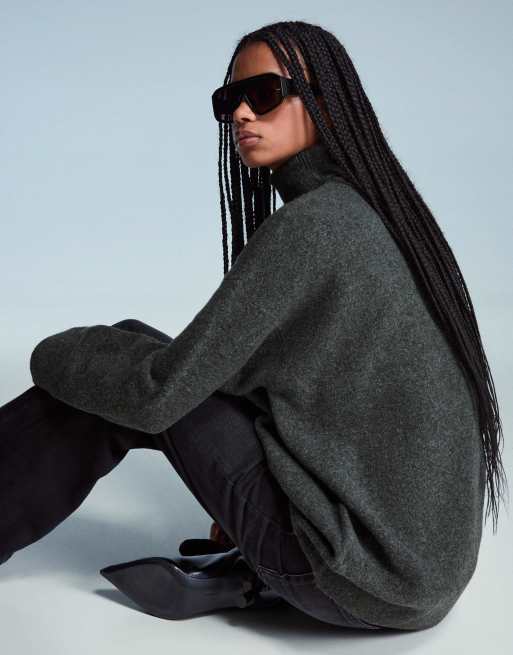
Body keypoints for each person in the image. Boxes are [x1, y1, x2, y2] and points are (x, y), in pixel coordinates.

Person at [1, 20, 507, 632]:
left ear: (325, 101)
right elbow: (273, 385)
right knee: (127, 355)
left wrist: (48, 353)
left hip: (347, 580)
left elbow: (160, 395)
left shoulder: (314, 226)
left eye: (265, 94)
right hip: (414, 583)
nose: (242, 114)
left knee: (116, 384)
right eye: (229, 101)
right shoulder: (368, 212)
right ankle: (246, 573)